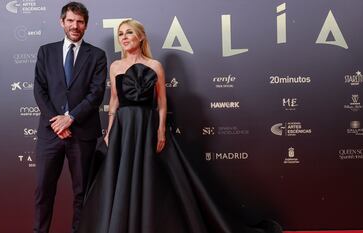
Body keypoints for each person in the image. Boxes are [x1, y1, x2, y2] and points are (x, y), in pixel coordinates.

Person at [77, 19, 281, 233]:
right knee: (120, 177)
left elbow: (162, 103)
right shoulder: (115, 66)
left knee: (151, 178)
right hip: (124, 127)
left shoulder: (155, 66)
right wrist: (110, 129)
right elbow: (115, 100)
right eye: (120, 34)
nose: (124, 38)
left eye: (129, 33)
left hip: (147, 126)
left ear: (140, 37)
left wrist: (161, 130)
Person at [33, 2, 107, 233]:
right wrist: (58, 121)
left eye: (80, 22)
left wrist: (71, 118)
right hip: (50, 132)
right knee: (44, 190)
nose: (75, 26)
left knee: (82, 192)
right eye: (71, 21)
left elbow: (96, 94)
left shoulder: (97, 55)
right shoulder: (46, 51)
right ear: (62, 22)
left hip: (82, 133)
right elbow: (39, 90)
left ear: (86, 25)